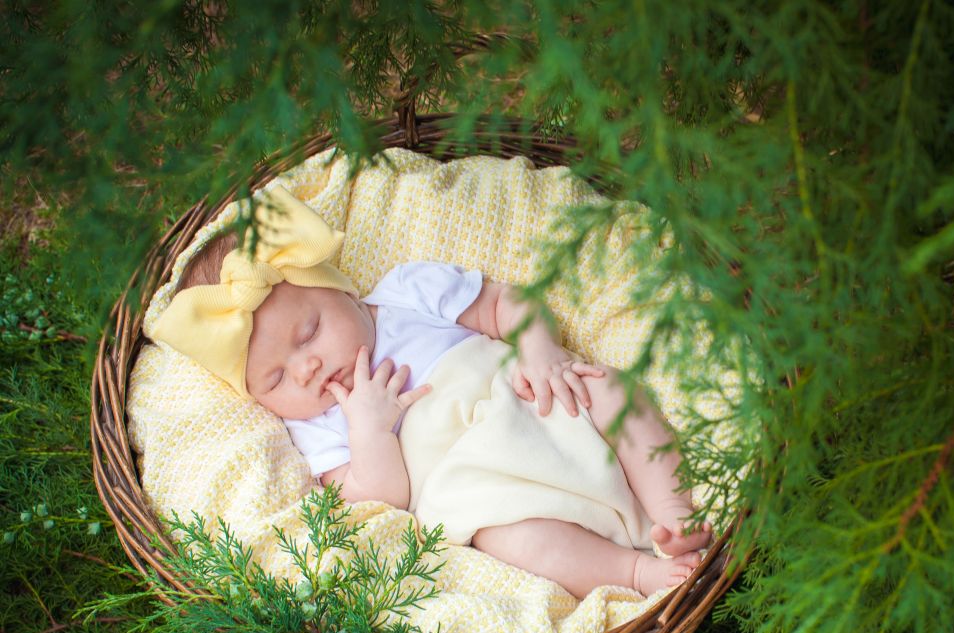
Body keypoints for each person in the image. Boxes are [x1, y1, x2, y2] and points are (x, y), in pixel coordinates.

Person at [151, 187, 710, 599]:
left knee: (609, 389)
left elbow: (505, 303)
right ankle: (634, 573)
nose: (308, 368)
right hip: (482, 488)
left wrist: (542, 350)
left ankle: (674, 513)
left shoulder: (404, 293)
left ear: (341, 291)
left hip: (532, 402)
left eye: (310, 331)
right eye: (275, 379)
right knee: (509, 544)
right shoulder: (313, 430)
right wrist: (369, 429)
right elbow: (381, 497)